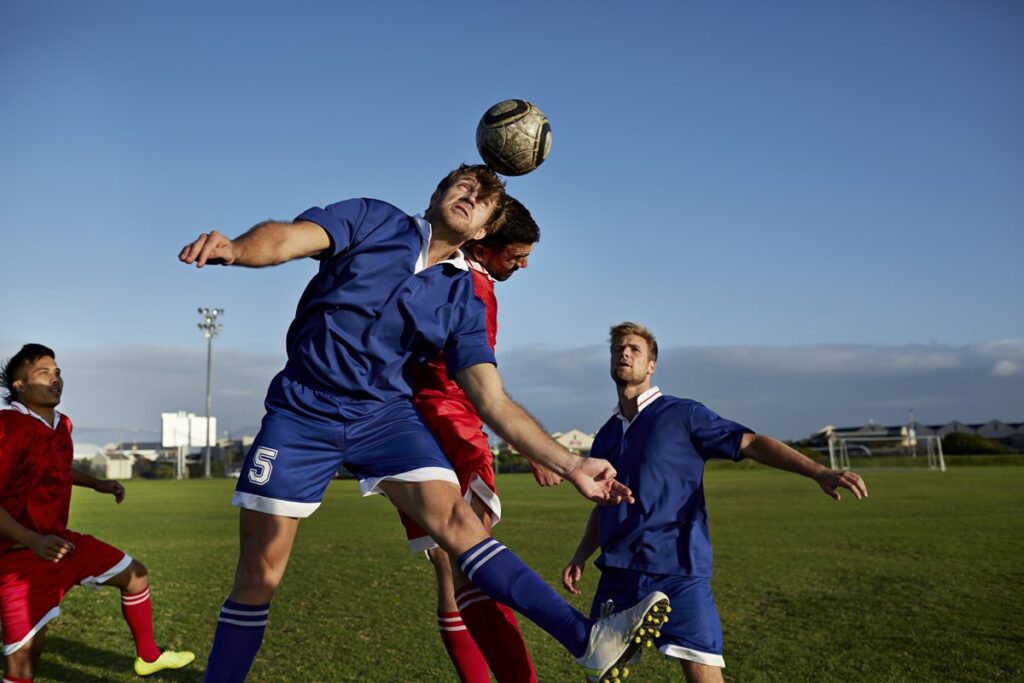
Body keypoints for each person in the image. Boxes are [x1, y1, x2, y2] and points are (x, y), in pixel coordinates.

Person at [179, 165, 667, 683]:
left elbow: (491, 400)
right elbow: (287, 240)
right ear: (437, 194)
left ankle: (586, 640)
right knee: (259, 569)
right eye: (464, 186)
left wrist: (571, 464)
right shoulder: (371, 219)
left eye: (482, 200)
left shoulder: (461, 296)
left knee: (460, 524)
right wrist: (237, 248)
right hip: (303, 410)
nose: (470, 197)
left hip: (384, 416)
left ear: (482, 231)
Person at [562, 322, 869, 683]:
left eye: (634, 349)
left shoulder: (683, 415)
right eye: (618, 349)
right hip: (618, 571)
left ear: (651, 365)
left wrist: (818, 470)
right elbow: (603, 505)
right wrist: (582, 553)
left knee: (703, 672)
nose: (624, 354)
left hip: (677, 569)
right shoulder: (607, 435)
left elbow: (751, 443)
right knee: (599, 675)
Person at [399, 196, 554, 682]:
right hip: (452, 425)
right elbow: (478, 383)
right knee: (479, 563)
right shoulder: (471, 285)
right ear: (487, 244)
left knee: (450, 572)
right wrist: (531, 443)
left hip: (412, 427)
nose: (523, 265)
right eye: (517, 255)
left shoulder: (436, 270)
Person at [0, 344, 195, 681]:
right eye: (44, 372)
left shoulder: (62, 424)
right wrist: (32, 540)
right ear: (19, 384)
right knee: (23, 667)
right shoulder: (9, 426)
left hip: (60, 546)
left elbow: (56, 469)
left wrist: (97, 484)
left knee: (135, 576)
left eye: (57, 372)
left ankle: (148, 656)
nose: (56, 378)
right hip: (17, 559)